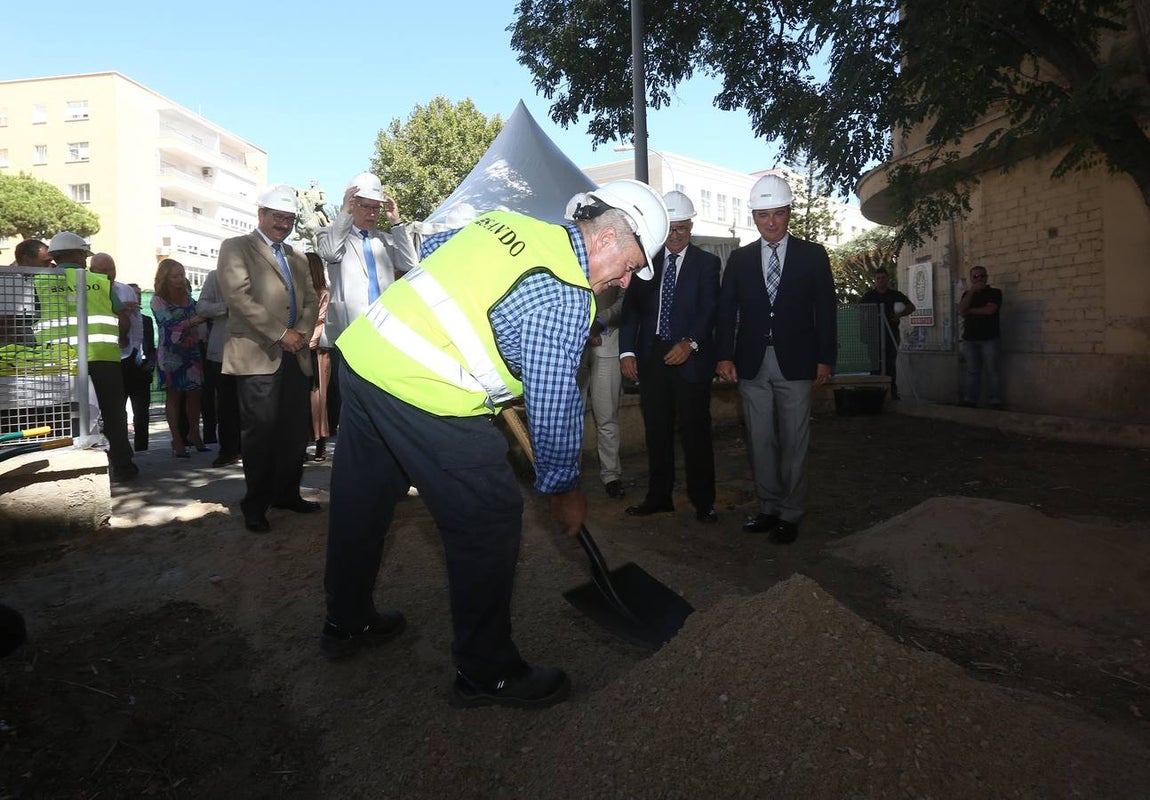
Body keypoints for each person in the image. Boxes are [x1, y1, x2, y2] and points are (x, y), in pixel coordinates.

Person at [321, 179, 668, 710]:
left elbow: (434, 257)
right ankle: (488, 672)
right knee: (489, 516)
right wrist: (564, 488)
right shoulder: (567, 294)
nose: (624, 282)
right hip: (422, 386)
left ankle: (346, 622)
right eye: (628, 267)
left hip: (367, 358)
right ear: (604, 240)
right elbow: (554, 404)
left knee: (362, 503)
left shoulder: (511, 223)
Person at [716, 175, 836, 544]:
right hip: (751, 363)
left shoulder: (813, 256)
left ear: (788, 214)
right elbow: (726, 311)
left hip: (798, 363)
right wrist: (723, 356)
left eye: (778, 214)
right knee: (760, 439)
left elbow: (826, 311)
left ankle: (791, 512)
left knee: (795, 440)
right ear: (754, 216)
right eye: (763, 215)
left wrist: (825, 359)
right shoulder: (739, 260)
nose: (771, 222)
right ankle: (768, 507)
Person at [217, 184, 319, 533]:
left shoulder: (298, 256)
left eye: (289, 218)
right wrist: (281, 333)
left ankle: (287, 494)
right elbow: (240, 298)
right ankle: (256, 505)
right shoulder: (236, 248)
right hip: (257, 355)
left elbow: (310, 301)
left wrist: (301, 334)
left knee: (293, 432)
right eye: (278, 217)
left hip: (295, 354)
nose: (284, 224)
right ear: (261, 214)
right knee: (260, 434)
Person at [619, 190, 720, 524]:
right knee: (657, 431)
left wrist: (690, 343)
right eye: (671, 228)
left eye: (683, 228)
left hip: (690, 357)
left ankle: (703, 501)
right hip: (651, 357)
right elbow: (632, 310)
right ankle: (659, 497)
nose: (676, 235)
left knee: (696, 433)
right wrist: (627, 350)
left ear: (691, 227)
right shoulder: (646, 262)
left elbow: (709, 310)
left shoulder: (708, 263)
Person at [317, 172, 419, 435]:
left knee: (383, 398)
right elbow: (329, 253)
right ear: (352, 205)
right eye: (366, 206)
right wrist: (343, 214)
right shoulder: (331, 234)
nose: (373, 213)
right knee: (353, 403)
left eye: (377, 208)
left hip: (383, 333)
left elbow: (410, 265)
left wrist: (396, 222)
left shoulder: (385, 239)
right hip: (350, 334)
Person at [42, 232, 138, 482]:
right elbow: (123, 320)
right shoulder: (100, 281)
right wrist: (121, 336)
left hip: (60, 361)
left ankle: (67, 466)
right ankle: (124, 467)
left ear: (55, 256)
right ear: (77, 254)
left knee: (65, 414)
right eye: (84, 254)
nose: (85, 259)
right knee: (114, 413)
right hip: (104, 357)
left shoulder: (39, 281)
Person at [151, 259, 207, 458]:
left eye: (181, 275)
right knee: (174, 395)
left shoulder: (188, 295)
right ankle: (177, 439)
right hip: (170, 353)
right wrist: (193, 320)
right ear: (165, 278)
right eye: (174, 276)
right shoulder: (157, 299)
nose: (179, 279)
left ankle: (194, 433)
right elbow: (169, 323)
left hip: (191, 349)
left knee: (195, 392)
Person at [577, 286, 627, 499]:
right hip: (572, 347)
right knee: (567, 418)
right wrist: (583, 329)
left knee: (607, 416)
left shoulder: (619, 257)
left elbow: (625, 300)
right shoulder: (565, 256)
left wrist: (598, 322)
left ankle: (611, 475)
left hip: (607, 343)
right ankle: (568, 477)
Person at [196, 269, 242, 466]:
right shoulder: (216, 276)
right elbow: (202, 307)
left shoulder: (259, 273)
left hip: (256, 350)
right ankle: (228, 450)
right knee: (226, 403)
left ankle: (253, 448)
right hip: (223, 350)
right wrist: (227, 308)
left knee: (255, 404)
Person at [858, 268, 915, 399]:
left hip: (891, 334)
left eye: (883, 278)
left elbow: (911, 307)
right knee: (875, 364)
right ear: (875, 280)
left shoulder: (895, 295)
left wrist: (899, 315)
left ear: (887, 279)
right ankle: (874, 395)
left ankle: (892, 393)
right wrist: (864, 331)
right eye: (878, 278)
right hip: (874, 335)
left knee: (890, 365)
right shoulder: (869, 296)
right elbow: (860, 312)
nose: (880, 281)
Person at [958, 265, 1003, 409]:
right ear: (971, 279)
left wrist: (970, 311)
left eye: (982, 276)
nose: (979, 279)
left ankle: (995, 400)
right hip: (970, 339)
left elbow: (990, 310)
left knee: (992, 370)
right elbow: (961, 310)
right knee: (972, 370)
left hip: (989, 338)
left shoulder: (995, 292)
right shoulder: (967, 295)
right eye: (975, 277)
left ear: (987, 277)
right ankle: (970, 400)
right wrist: (971, 292)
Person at [306, 252, 332, 461]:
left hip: (317, 351)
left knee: (318, 398)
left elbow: (322, 320)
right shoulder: (297, 292)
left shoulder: (324, 293)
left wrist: (309, 342)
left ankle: (320, 442)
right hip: (300, 350)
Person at [128, 284, 157, 451]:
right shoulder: (117, 319)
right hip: (123, 369)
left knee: (142, 414)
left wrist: (150, 364)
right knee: (119, 414)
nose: (137, 298)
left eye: (139, 295)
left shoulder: (146, 320)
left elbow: (151, 347)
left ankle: (142, 448)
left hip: (142, 370)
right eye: (133, 294)